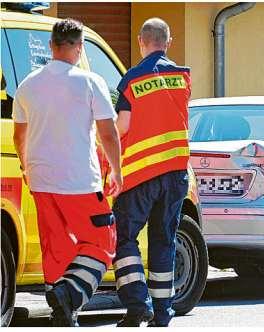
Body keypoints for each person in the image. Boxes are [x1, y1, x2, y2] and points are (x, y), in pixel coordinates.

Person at [12, 18, 122, 327]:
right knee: (103, 242)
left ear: (51, 46)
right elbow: (109, 134)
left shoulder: (27, 85)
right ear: (80, 47)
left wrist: (26, 166)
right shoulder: (89, 82)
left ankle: (62, 312)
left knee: (56, 246)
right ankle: (69, 294)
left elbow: (19, 137)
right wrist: (117, 171)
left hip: (40, 179)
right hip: (79, 181)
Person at [113, 17, 191, 327]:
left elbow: (123, 126)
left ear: (140, 41)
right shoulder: (182, 77)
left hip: (140, 174)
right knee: (164, 241)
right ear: (168, 42)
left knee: (125, 237)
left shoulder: (132, 80)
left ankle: (137, 304)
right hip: (175, 175)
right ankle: (162, 314)